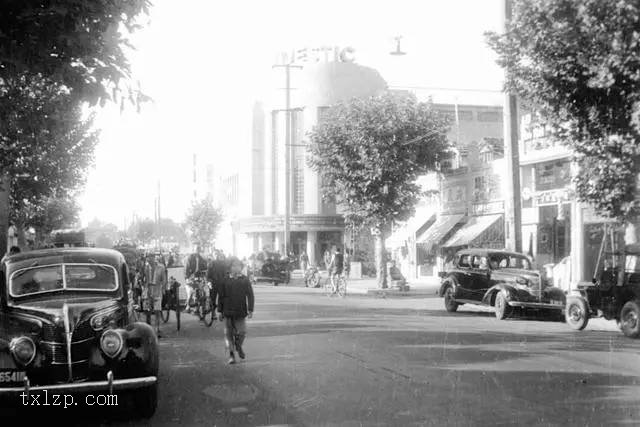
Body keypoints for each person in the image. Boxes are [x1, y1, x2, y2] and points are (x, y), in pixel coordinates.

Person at [217, 257, 254, 365]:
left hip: (240, 311)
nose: (236, 268)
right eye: (234, 265)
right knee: (228, 335)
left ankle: (238, 346)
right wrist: (219, 310)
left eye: (238, 265)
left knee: (242, 332)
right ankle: (231, 355)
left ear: (241, 267)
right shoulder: (225, 280)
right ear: (230, 267)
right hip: (227, 311)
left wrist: (250, 309)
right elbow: (221, 296)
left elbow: (250, 295)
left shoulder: (245, 280)